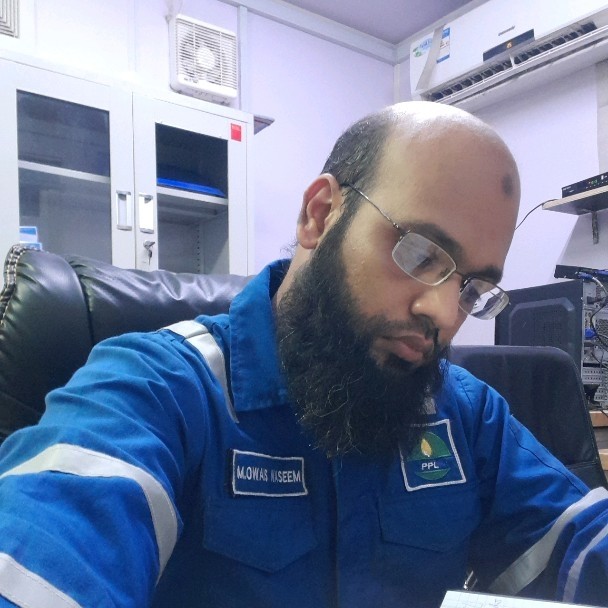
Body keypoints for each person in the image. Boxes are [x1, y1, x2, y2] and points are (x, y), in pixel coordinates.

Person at [0, 101, 606, 608]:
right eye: (422, 254)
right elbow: (45, 555)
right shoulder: (157, 388)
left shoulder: (466, 415)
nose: (446, 315)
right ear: (320, 215)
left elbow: (582, 543)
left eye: (472, 288)